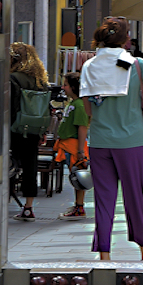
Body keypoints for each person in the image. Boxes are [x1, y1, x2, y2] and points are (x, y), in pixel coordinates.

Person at [80, 18, 143, 266]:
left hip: (99, 140)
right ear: (125, 39)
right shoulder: (137, 64)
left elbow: (88, 108)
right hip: (131, 140)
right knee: (135, 196)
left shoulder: (89, 65)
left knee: (103, 198)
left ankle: (104, 256)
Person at [9, 43, 51, 220]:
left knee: (8, 165)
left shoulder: (13, 78)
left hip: (14, 127)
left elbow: (10, 106)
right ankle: (28, 207)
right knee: (30, 166)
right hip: (34, 129)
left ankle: (4, 199)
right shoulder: (41, 81)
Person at [55, 73, 91, 218]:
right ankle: (78, 206)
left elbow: (82, 127)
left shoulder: (80, 105)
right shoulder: (74, 103)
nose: (63, 87)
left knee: (78, 177)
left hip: (75, 146)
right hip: (69, 145)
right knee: (75, 176)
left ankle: (80, 207)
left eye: (66, 85)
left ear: (74, 87)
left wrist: (81, 150)